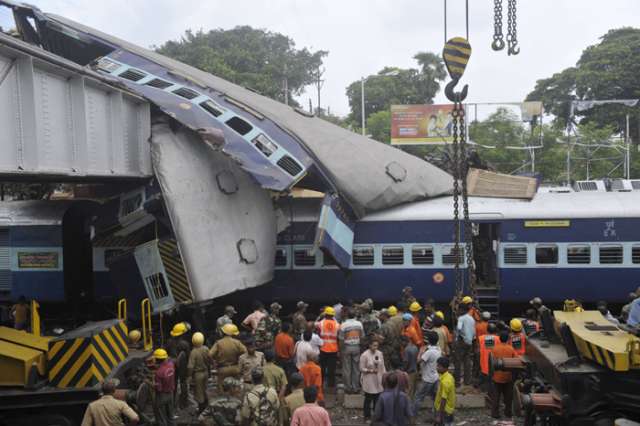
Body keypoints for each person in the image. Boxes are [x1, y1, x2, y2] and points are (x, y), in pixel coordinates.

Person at [209, 323, 247, 391]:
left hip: (222, 369)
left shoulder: (218, 343)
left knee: (222, 390)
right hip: (235, 368)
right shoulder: (237, 342)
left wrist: (214, 363)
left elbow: (209, 355)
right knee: (235, 389)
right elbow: (245, 352)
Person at [413, 331, 441, 415]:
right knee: (435, 397)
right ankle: (436, 414)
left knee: (418, 397)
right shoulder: (438, 349)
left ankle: (412, 415)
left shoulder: (429, 352)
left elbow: (418, 361)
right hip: (435, 378)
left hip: (427, 379)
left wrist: (421, 351)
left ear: (428, 340)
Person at [491, 332, 517, 419]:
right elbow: (515, 361)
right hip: (508, 377)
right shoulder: (511, 349)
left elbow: (491, 362)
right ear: (508, 340)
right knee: (508, 397)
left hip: (496, 377)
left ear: (499, 339)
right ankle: (508, 412)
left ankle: (495, 413)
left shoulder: (494, 349)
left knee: (496, 396)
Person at [338, 307, 363, 394]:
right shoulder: (359, 324)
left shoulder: (343, 325)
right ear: (354, 315)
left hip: (346, 348)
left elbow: (341, 339)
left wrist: (341, 350)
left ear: (347, 315)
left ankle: (348, 388)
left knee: (347, 368)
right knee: (356, 369)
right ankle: (356, 387)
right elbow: (362, 336)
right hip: (356, 347)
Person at [360, 340, 386, 420]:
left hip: (378, 379)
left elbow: (383, 366)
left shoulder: (379, 353)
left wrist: (385, 375)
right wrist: (370, 371)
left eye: (377, 346)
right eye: (374, 345)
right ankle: (367, 416)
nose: (375, 347)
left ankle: (376, 416)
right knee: (368, 399)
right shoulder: (364, 355)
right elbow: (361, 368)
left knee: (377, 399)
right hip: (369, 380)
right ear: (370, 345)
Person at [167, 322, 191, 410]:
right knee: (183, 382)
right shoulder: (185, 344)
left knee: (173, 383)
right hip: (182, 366)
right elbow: (188, 356)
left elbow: (166, 353)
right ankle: (183, 403)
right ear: (183, 333)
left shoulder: (169, 342)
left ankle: (172, 403)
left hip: (171, 364)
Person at [316, 306, 339, 388]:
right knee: (331, 369)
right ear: (333, 315)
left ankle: (321, 384)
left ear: (325, 314)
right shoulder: (337, 325)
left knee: (322, 368)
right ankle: (331, 386)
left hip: (323, 348)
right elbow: (338, 337)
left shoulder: (320, 324)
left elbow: (317, 331)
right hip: (333, 349)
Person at [187, 332, 210, 413]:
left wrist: (189, 376)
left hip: (198, 374)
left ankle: (201, 410)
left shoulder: (193, 352)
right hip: (206, 372)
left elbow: (190, 366)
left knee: (199, 393)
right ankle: (207, 408)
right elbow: (210, 359)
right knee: (205, 390)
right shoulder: (206, 349)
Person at [454, 304, 475, 386]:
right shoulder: (472, 319)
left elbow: (458, 329)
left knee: (458, 361)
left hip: (461, 341)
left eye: (459, 309)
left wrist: (457, 340)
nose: (458, 311)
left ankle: (457, 382)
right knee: (467, 361)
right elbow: (474, 332)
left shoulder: (461, 318)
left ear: (462, 310)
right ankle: (467, 381)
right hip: (469, 342)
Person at [153, 348, 176, 426]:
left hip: (162, 396)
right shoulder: (171, 365)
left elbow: (158, 389)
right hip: (171, 394)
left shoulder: (158, 373)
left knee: (161, 418)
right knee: (171, 416)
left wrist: (151, 384)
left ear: (157, 359)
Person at [434, 357, 456, 426]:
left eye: (439, 366)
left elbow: (443, 399)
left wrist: (439, 415)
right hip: (448, 409)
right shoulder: (448, 376)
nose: (437, 367)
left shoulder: (446, 381)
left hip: (445, 411)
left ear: (444, 368)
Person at [478, 322, 499, 390]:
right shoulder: (498, 339)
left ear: (487, 330)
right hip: (494, 362)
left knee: (484, 375)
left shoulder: (481, 338)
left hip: (484, 362)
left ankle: (484, 387)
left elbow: (478, 349)